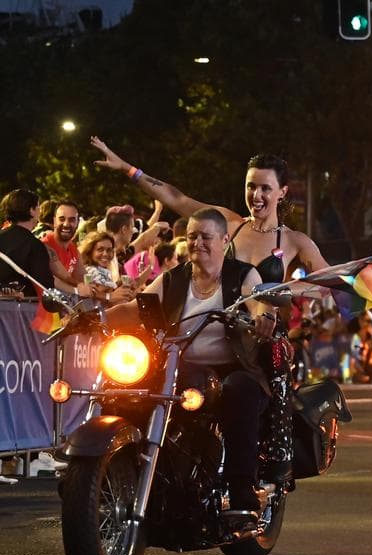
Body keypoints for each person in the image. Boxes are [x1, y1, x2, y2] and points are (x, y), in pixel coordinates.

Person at [91, 137, 330, 487]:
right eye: (251, 186)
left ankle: (262, 476)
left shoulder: (294, 241)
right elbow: (176, 198)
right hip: (202, 329)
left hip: (257, 339)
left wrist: (284, 291)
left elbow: (325, 283)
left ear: (282, 193)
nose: (257, 196)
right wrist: (128, 169)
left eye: (266, 188)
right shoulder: (227, 224)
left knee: (255, 395)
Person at [106, 208, 276, 525]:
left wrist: (262, 315)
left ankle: (241, 488)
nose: (198, 243)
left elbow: (257, 299)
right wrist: (95, 316)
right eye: (192, 236)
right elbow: (136, 308)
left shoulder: (242, 274)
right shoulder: (173, 278)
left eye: (206, 237)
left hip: (231, 368)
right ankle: (108, 471)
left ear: (224, 241)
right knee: (127, 389)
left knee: (240, 393)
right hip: (178, 368)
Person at [0, 189, 53, 297]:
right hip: (21, 310)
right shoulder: (35, 246)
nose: (40, 211)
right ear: (32, 211)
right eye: (38, 207)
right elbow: (45, 287)